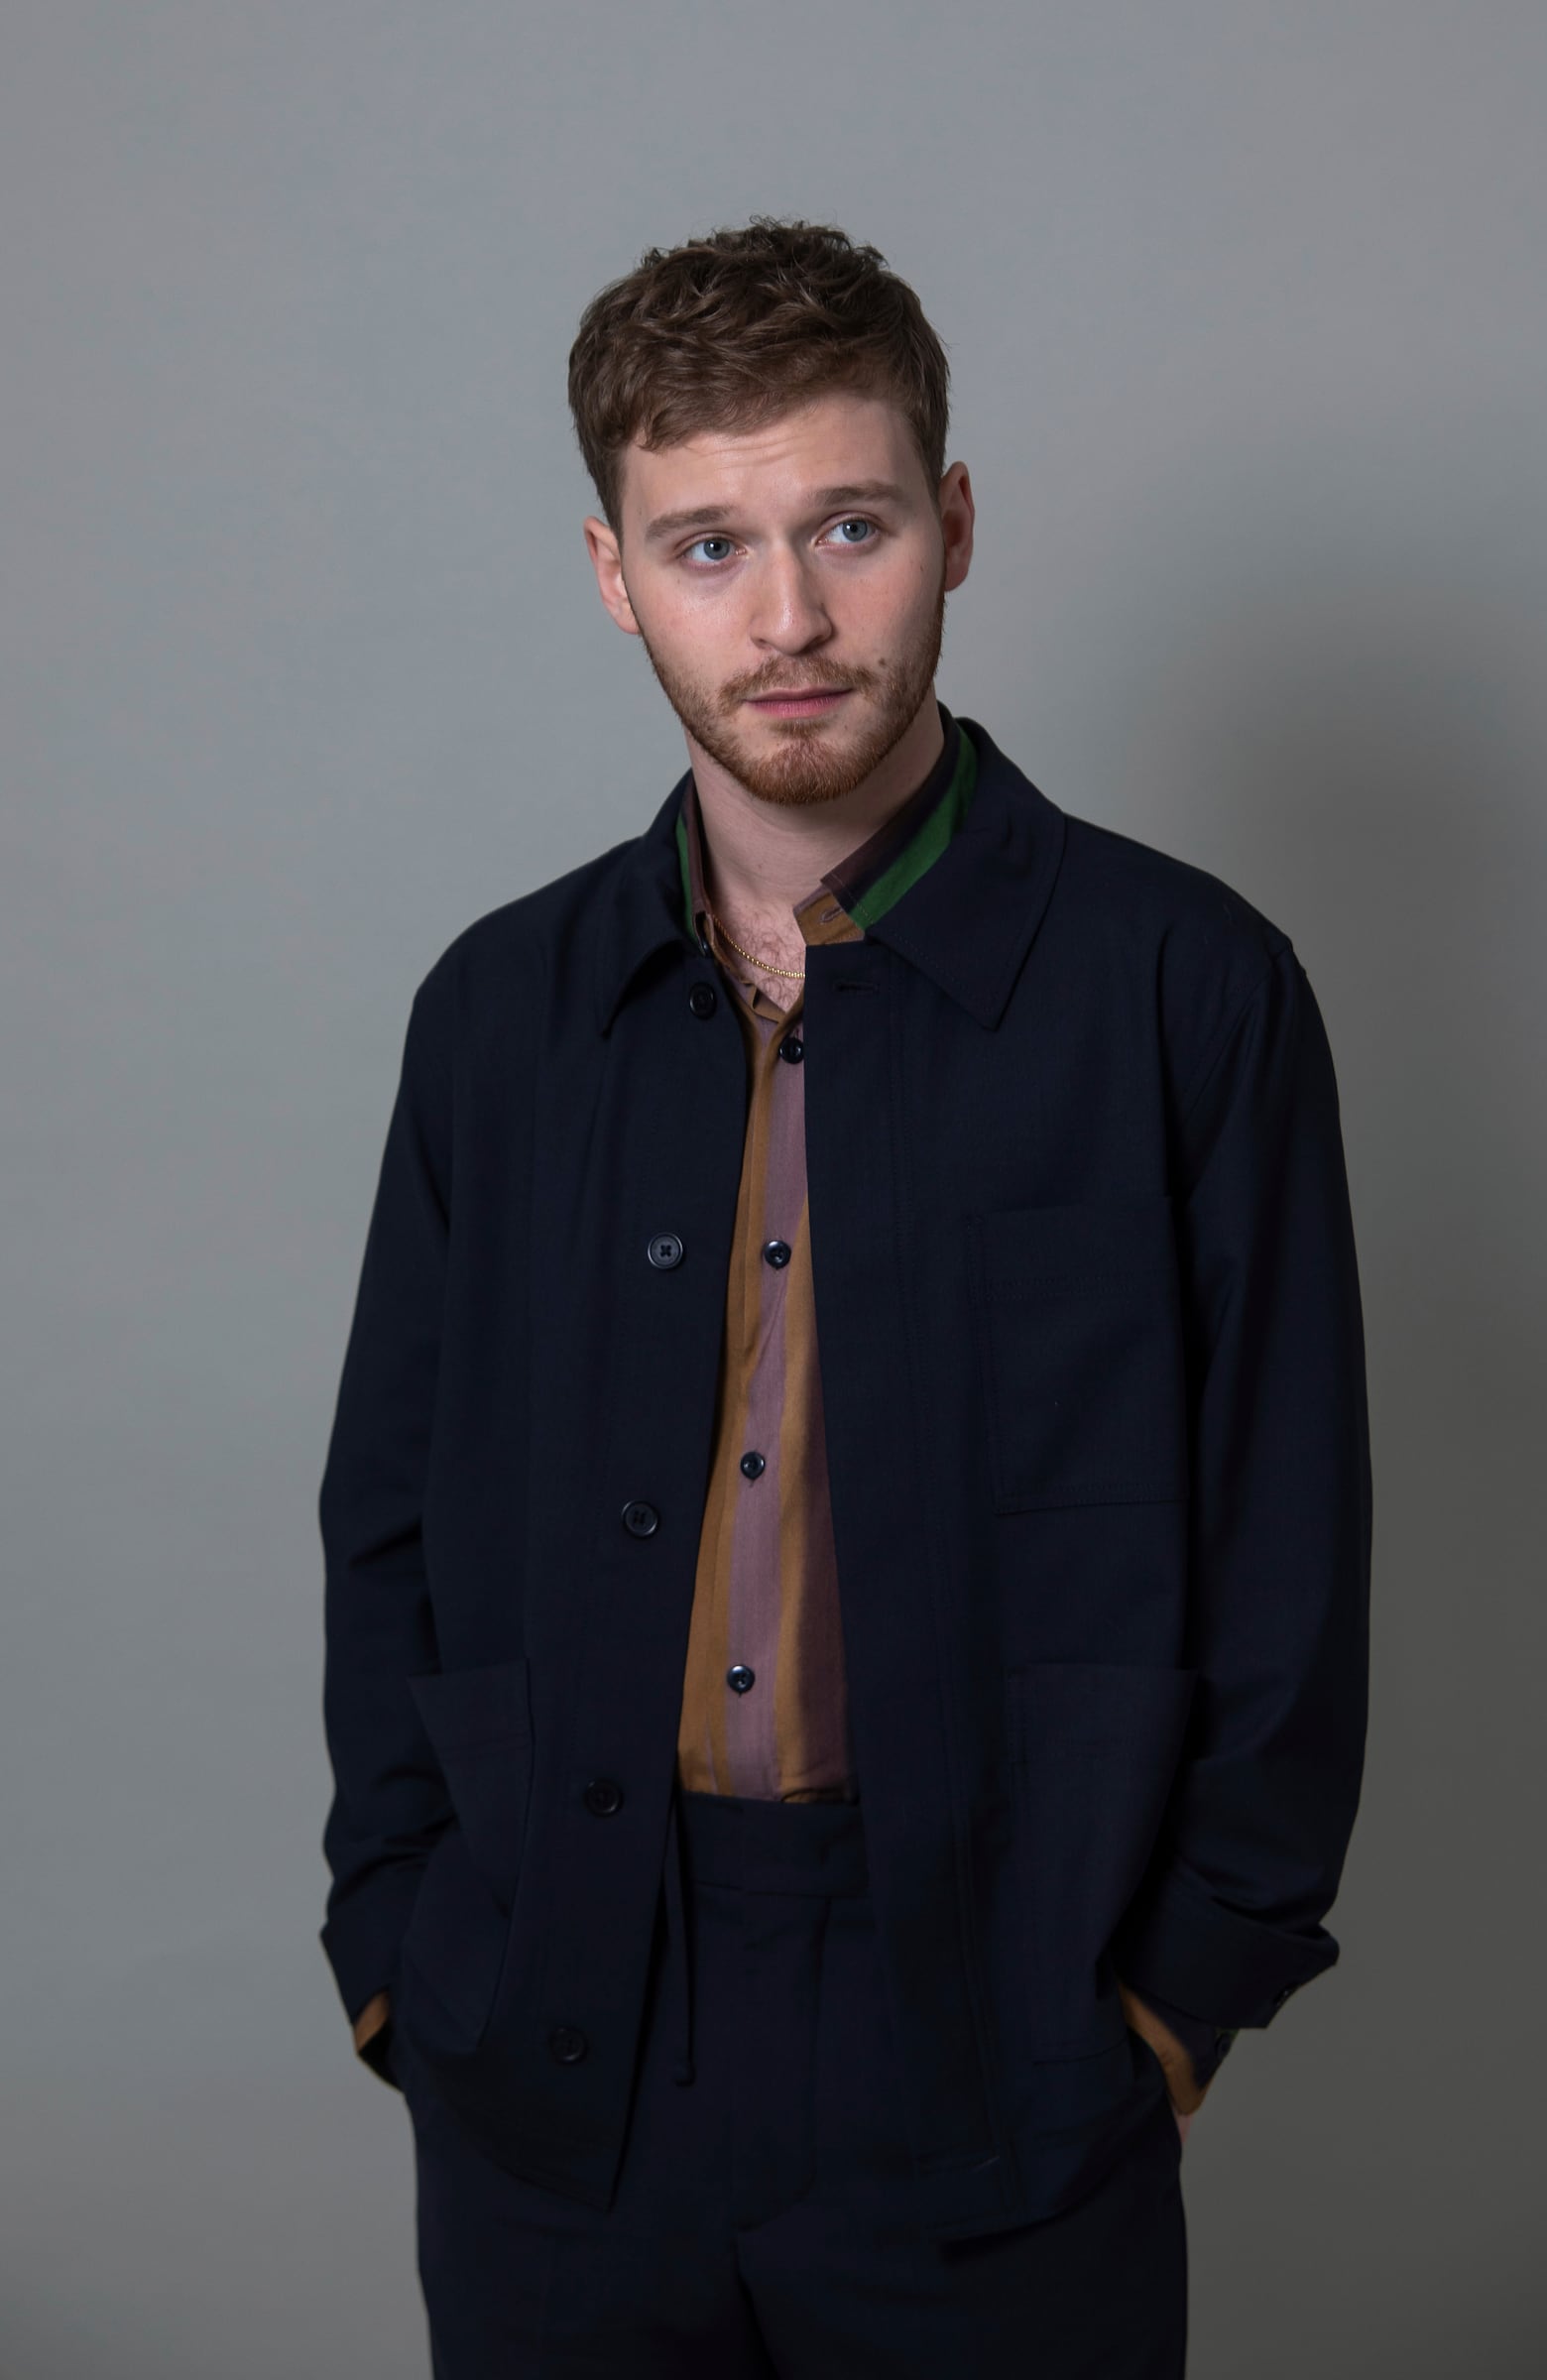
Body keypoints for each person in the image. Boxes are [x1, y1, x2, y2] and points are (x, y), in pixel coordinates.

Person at [317, 217, 1372, 2376]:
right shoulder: (497, 1012)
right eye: (703, 546)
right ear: (613, 571)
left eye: (849, 526)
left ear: (952, 526)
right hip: (559, 2047)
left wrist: (1171, 2000)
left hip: (991, 2050)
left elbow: (1288, 1542)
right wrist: (400, 1939)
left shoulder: (1185, 992)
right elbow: (391, 1518)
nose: (785, 617)